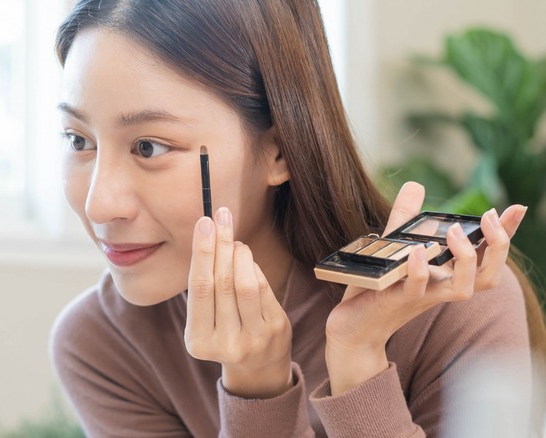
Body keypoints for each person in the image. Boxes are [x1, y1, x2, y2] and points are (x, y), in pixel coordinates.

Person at [49, 0, 545, 436]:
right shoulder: (102, 345)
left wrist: (360, 362)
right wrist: (256, 391)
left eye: (149, 146)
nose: (98, 205)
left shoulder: (456, 303)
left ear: (279, 150)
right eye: (78, 140)